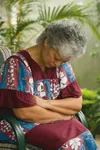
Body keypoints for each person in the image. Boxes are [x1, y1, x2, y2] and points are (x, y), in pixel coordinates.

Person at [0, 19, 98, 150]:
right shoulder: (17, 64)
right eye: (56, 57)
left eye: (62, 61)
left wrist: (44, 103)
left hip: (49, 122)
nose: (58, 64)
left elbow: (76, 103)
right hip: (19, 126)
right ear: (46, 42)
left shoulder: (62, 64)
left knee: (85, 137)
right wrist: (63, 116)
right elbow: (25, 113)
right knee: (68, 144)